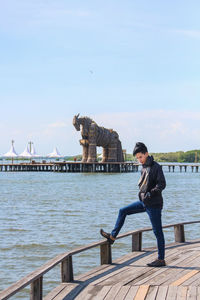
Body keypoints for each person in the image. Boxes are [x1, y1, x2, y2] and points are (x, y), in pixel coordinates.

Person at [100, 142, 166, 267]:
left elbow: (161, 184)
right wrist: (143, 196)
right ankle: (113, 237)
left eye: (140, 157)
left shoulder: (156, 167)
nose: (139, 160)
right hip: (143, 203)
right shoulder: (144, 168)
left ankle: (161, 259)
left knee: (157, 232)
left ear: (146, 154)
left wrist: (151, 193)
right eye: (137, 158)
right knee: (122, 211)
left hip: (154, 204)